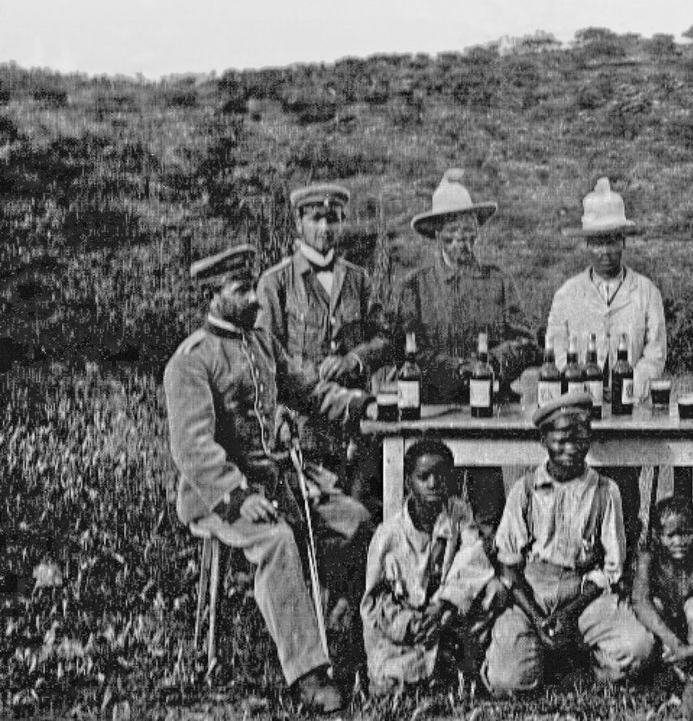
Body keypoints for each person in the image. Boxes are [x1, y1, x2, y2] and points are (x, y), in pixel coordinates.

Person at [163, 244, 372, 712]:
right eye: (241, 290)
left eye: (254, 287)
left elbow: (307, 389)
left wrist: (359, 404)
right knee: (277, 541)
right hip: (216, 495)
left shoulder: (259, 342)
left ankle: (340, 626)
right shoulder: (191, 361)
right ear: (213, 298)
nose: (256, 299)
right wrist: (238, 498)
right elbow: (193, 450)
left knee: (356, 519)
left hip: (278, 479)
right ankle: (308, 673)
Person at [396, 169, 540, 535]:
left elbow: (526, 341)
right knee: (432, 510)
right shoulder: (416, 287)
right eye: (452, 234)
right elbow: (410, 349)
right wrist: (457, 368)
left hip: (488, 413)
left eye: (467, 232)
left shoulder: (497, 281)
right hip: (434, 412)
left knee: (488, 512)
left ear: (477, 232)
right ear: (437, 235)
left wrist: (492, 362)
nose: (461, 241)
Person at [483, 392, 655, 694]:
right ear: (543, 440)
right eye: (561, 440)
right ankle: (541, 653)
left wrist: (569, 612)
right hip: (531, 596)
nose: (571, 449)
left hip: (582, 594)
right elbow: (509, 567)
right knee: (506, 680)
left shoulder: (604, 491)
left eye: (580, 439)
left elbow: (611, 568)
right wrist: (538, 619)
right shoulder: (525, 491)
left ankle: (576, 659)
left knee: (636, 648)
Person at [547, 177, 667, 554]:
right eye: (598, 241)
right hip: (581, 411)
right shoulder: (568, 294)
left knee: (623, 490)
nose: (606, 251)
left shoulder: (645, 291)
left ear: (624, 242)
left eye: (613, 240)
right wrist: (583, 386)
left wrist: (634, 382)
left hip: (629, 409)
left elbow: (655, 352)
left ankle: (629, 563)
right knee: (579, 490)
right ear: (587, 244)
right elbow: (556, 349)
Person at [257, 182, 391, 500]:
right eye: (316, 218)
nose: (324, 227)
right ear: (298, 223)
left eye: (332, 219)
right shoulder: (275, 283)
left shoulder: (359, 280)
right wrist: (277, 418)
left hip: (357, 427)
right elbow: (264, 362)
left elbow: (386, 340)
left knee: (362, 513)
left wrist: (354, 359)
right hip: (304, 428)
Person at [361, 438, 501, 694]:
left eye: (441, 476)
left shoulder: (458, 514)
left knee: (494, 590)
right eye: (423, 477)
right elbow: (375, 601)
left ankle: (453, 661)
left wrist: (443, 605)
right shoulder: (389, 535)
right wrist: (412, 624)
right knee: (392, 678)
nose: (433, 484)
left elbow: (473, 557)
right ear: (408, 483)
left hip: (446, 613)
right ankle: (435, 667)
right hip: (408, 628)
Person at [632, 497, 693, 720]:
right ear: (657, 536)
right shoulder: (648, 561)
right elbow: (640, 602)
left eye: (686, 533)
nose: (679, 541)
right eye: (670, 535)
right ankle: (692, 689)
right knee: (656, 605)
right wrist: (675, 643)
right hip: (666, 640)